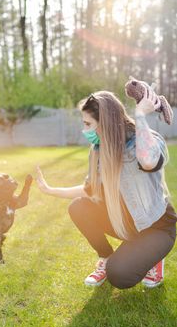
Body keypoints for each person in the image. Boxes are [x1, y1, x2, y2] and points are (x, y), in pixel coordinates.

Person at [35, 85, 177, 289]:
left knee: (119, 276)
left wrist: (141, 116)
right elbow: (89, 190)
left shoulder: (144, 140)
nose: (84, 130)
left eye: (87, 124)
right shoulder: (98, 150)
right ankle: (106, 258)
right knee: (79, 207)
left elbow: (148, 161)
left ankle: (153, 257)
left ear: (106, 124)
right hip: (129, 224)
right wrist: (51, 190)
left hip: (156, 228)